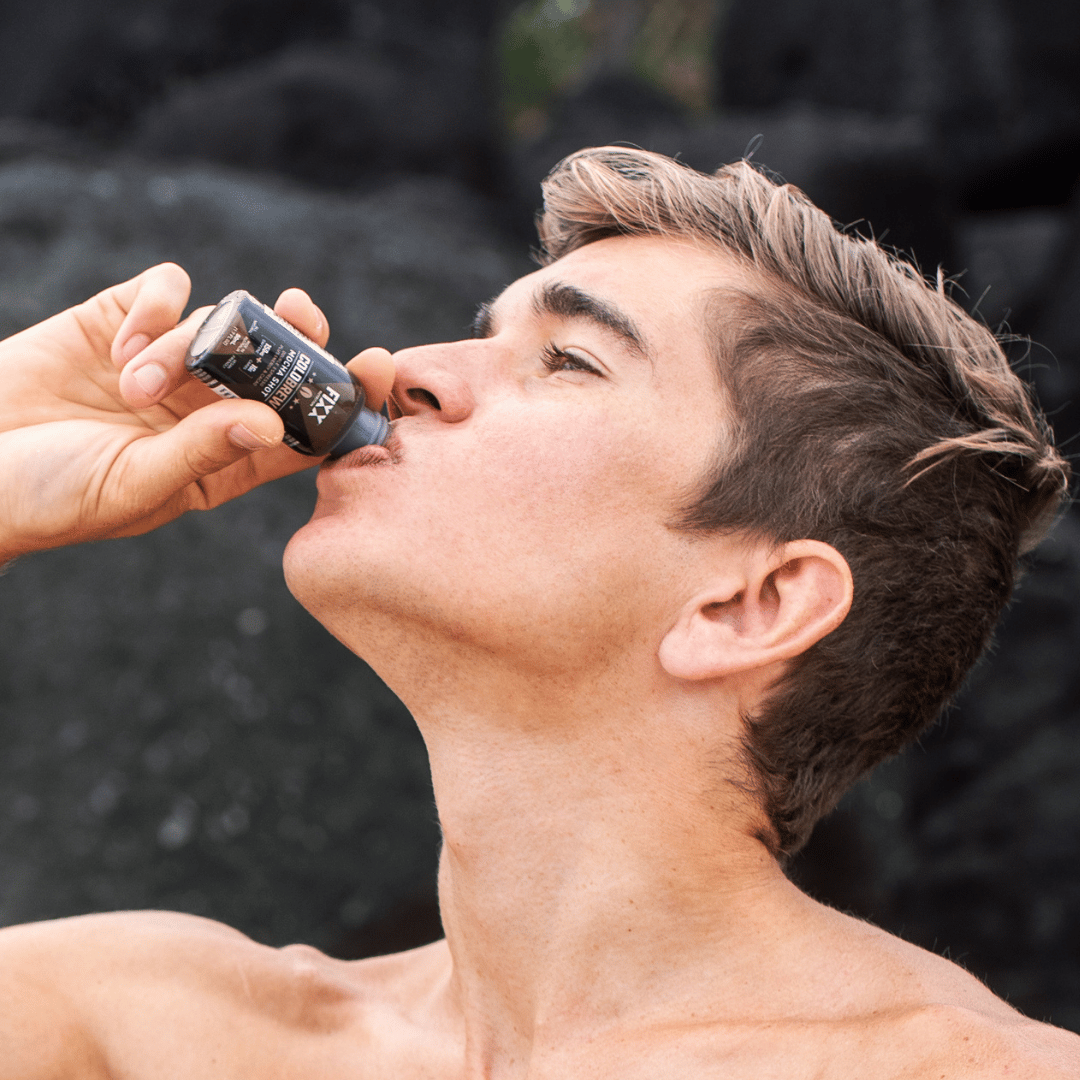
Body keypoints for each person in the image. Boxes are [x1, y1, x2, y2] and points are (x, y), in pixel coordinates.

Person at [0, 146, 1076, 1079]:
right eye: (482, 329)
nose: (408, 369)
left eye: (568, 360)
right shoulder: (138, 1033)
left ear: (754, 603)